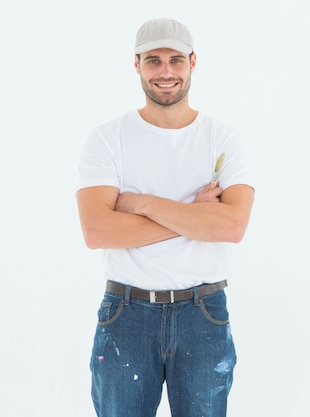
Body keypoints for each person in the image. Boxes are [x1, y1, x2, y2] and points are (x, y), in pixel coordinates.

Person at [76, 18, 254, 417]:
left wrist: (142, 203)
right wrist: (193, 215)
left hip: (203, 313)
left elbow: (230, 226)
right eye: (153, 61)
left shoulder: (223, 139)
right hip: (125, 313)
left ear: (193, 62)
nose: (166, 72)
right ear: (136, 65)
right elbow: (98, 230)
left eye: (175, 60)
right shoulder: (107, 139)